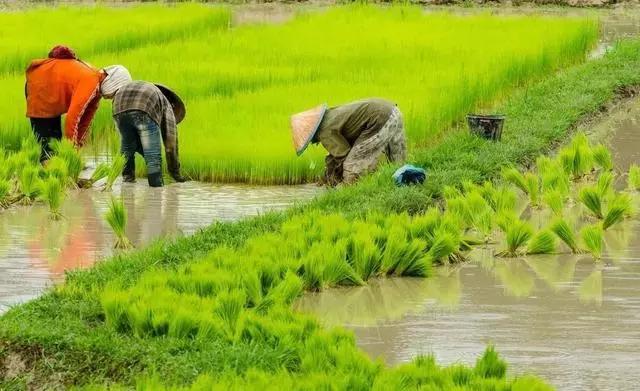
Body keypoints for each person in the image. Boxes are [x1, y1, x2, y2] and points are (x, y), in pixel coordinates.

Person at [100, 65, 186, 187]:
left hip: (118, 106)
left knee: (127, 148)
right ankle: (156, 188)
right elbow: (171, 141)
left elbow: (136, 143)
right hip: (143, 108)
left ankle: (127, 182)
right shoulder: (165, 102)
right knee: (153, 156)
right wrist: (176, 173)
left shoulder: (147, 87)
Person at [290, 98, 407, 185]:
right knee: (398, 165)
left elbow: (343, 154)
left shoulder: (324, 131)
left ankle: (354, 195)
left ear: (311, 134)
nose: (313, 143)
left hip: (379, 119)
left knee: (351, 168)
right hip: (394, 111)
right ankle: (407, 185)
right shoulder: (330, 115)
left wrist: (334, 177)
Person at [25, 45, 105, 161]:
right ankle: (49, 168)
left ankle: (53, 166)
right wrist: (71, 149)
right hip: (39, 95)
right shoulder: (89, 74)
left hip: (45, 93)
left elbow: (83, 117)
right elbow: (74, 117)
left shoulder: (84, 75)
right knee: (48, 142)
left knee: (53, 141)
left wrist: (76, 145)